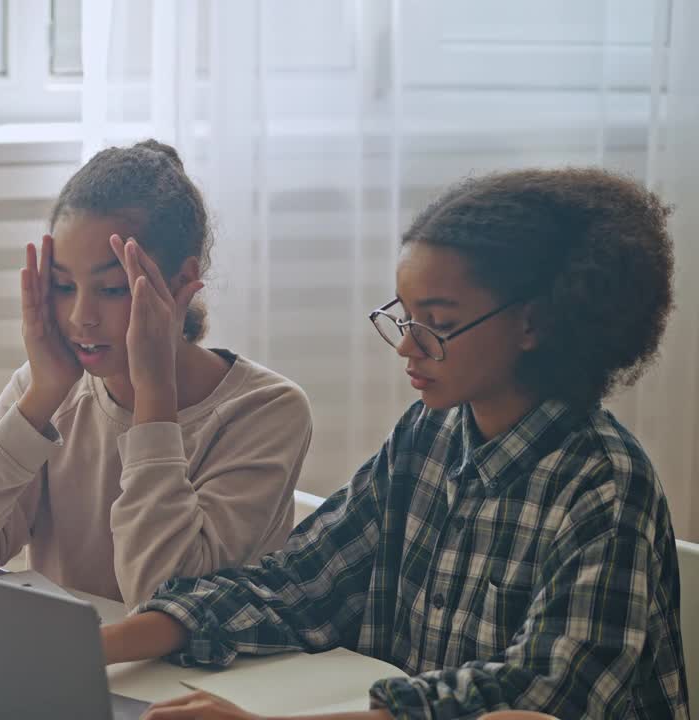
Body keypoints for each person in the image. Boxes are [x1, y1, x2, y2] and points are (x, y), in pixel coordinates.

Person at [101, 167, 689, 719]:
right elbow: (300, 584)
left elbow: (542, 689)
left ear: (532, 324)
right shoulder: (425, 436)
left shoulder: (605, 485)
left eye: (437, 321)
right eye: (404, 317)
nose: (408, 346)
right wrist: (99, 645)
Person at [0, 140, 313, 605]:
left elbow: (165, 601)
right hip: (72, 666)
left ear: (180, 282)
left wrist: (154, 398)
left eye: (112, 289)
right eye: (62, 285)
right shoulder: (46, 393)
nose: (81, 316)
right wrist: (40, 399)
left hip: (197, 677)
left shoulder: (266, 411)